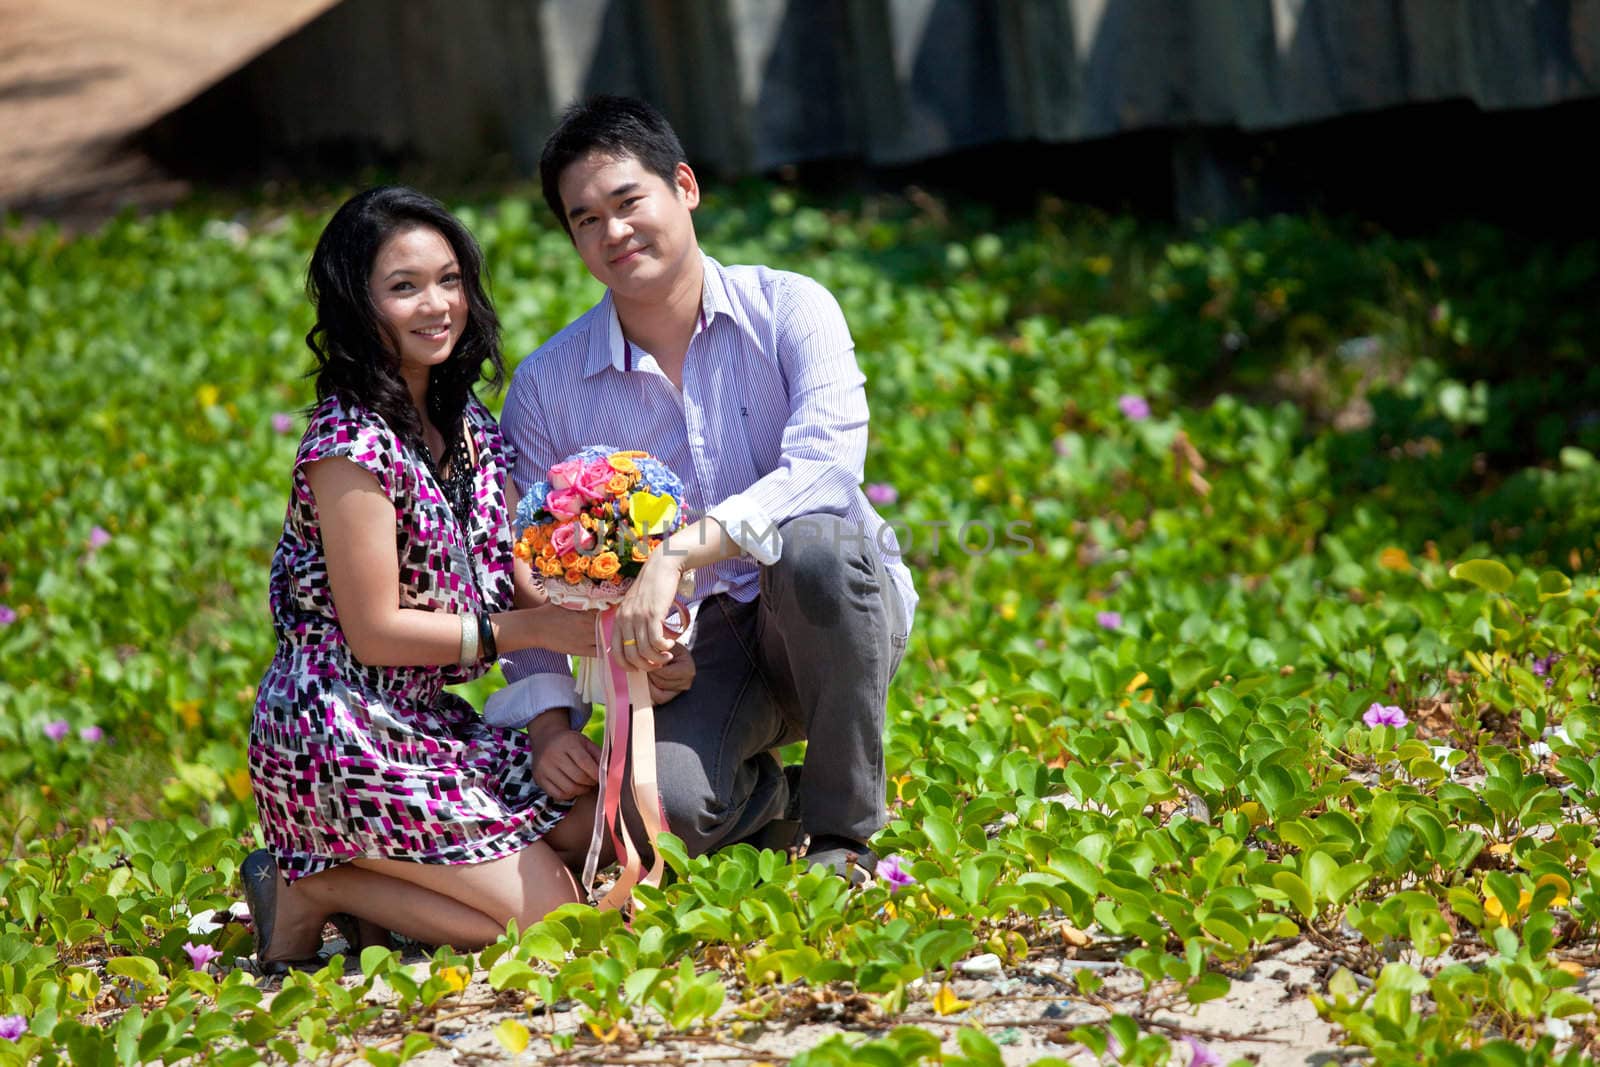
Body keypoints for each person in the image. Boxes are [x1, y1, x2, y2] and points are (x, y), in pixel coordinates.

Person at [491, 96, 917, 883]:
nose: (613, 232)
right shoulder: (548, 386)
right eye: (585, 220)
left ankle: (843, 835)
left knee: (819, 547)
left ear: (684, 186)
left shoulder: (791, 306)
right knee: (669, 814)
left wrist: (678, 553)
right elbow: (530, 565)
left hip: (827, 619)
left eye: (628, 202)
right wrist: (554, 721)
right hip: (689, 655)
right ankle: (776, 799)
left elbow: (827, 466)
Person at [242, 186, 619, 971]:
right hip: (337, 728)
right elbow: (376, 631)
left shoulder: (471, 424)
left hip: (429, 719)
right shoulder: (347, 442)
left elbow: (521, 569)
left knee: (603, 828)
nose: (436, 304)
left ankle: (377, 889)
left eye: (449, 279)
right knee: (555, 920)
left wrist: (618, 610)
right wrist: (532, 631)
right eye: (404, 287)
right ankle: (316, 886)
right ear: (357, 303)